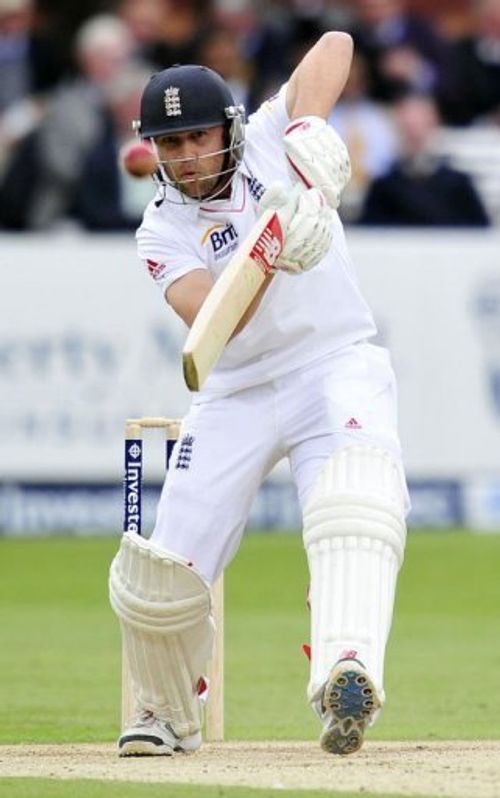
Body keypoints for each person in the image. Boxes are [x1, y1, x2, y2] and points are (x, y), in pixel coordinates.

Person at [109, 32, 410, 759]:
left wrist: (308, 127)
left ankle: (347, 671)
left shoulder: (274, 137)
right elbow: (212, 320)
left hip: (333, 362)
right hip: (236, 391)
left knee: (356, 508)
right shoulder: (161, 230)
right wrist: (276, 243)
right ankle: (166, 711)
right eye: (169, 143)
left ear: (232, 127)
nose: (184, 156)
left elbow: (335, 44)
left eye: (197, 136)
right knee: (160, 575)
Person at [360, 91, 490, 226]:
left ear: (433, 123)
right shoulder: (384, 187)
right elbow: (369, 233)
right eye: (408, 125)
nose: (413, 132)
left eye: (419, 123)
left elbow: (480, 232)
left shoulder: (458, 184)